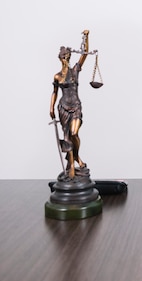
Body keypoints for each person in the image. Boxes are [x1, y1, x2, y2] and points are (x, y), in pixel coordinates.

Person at [50, 30, 89, 179]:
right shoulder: (58, 76)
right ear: (60, 58)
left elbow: (84, 54)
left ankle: (76, 157)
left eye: (67, 56)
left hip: (76, 107)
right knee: (67, 137)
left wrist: (86, 37)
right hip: (63, 108)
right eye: (63, 56)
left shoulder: (75, 71)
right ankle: (72, 164)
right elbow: (54, 92)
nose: (65, 58)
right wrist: (51, 107)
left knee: (74, 133)